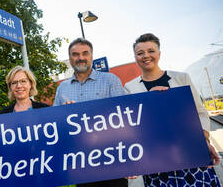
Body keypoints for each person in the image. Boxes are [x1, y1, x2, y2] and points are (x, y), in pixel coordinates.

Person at [124, 33, 221, 187]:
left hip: (191, 154)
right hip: (156, 160)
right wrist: (149, 101)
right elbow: (134, 124)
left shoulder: (182, 78)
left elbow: (200, 112)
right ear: (135, 57)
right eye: (140, 53)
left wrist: (204, 140)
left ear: (159, 54)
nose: (146, 56)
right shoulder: (130, 88)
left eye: (151, 51)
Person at [54, 38, 127, 187]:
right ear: (70, 59)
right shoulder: (62, 88)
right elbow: (57, 125)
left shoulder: (110, 80)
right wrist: (65, 115)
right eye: (75, 54)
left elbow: (124, 120)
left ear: (91, 56)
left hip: (112, 160)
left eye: (85, 53)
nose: (80, 58)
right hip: (81, 164)